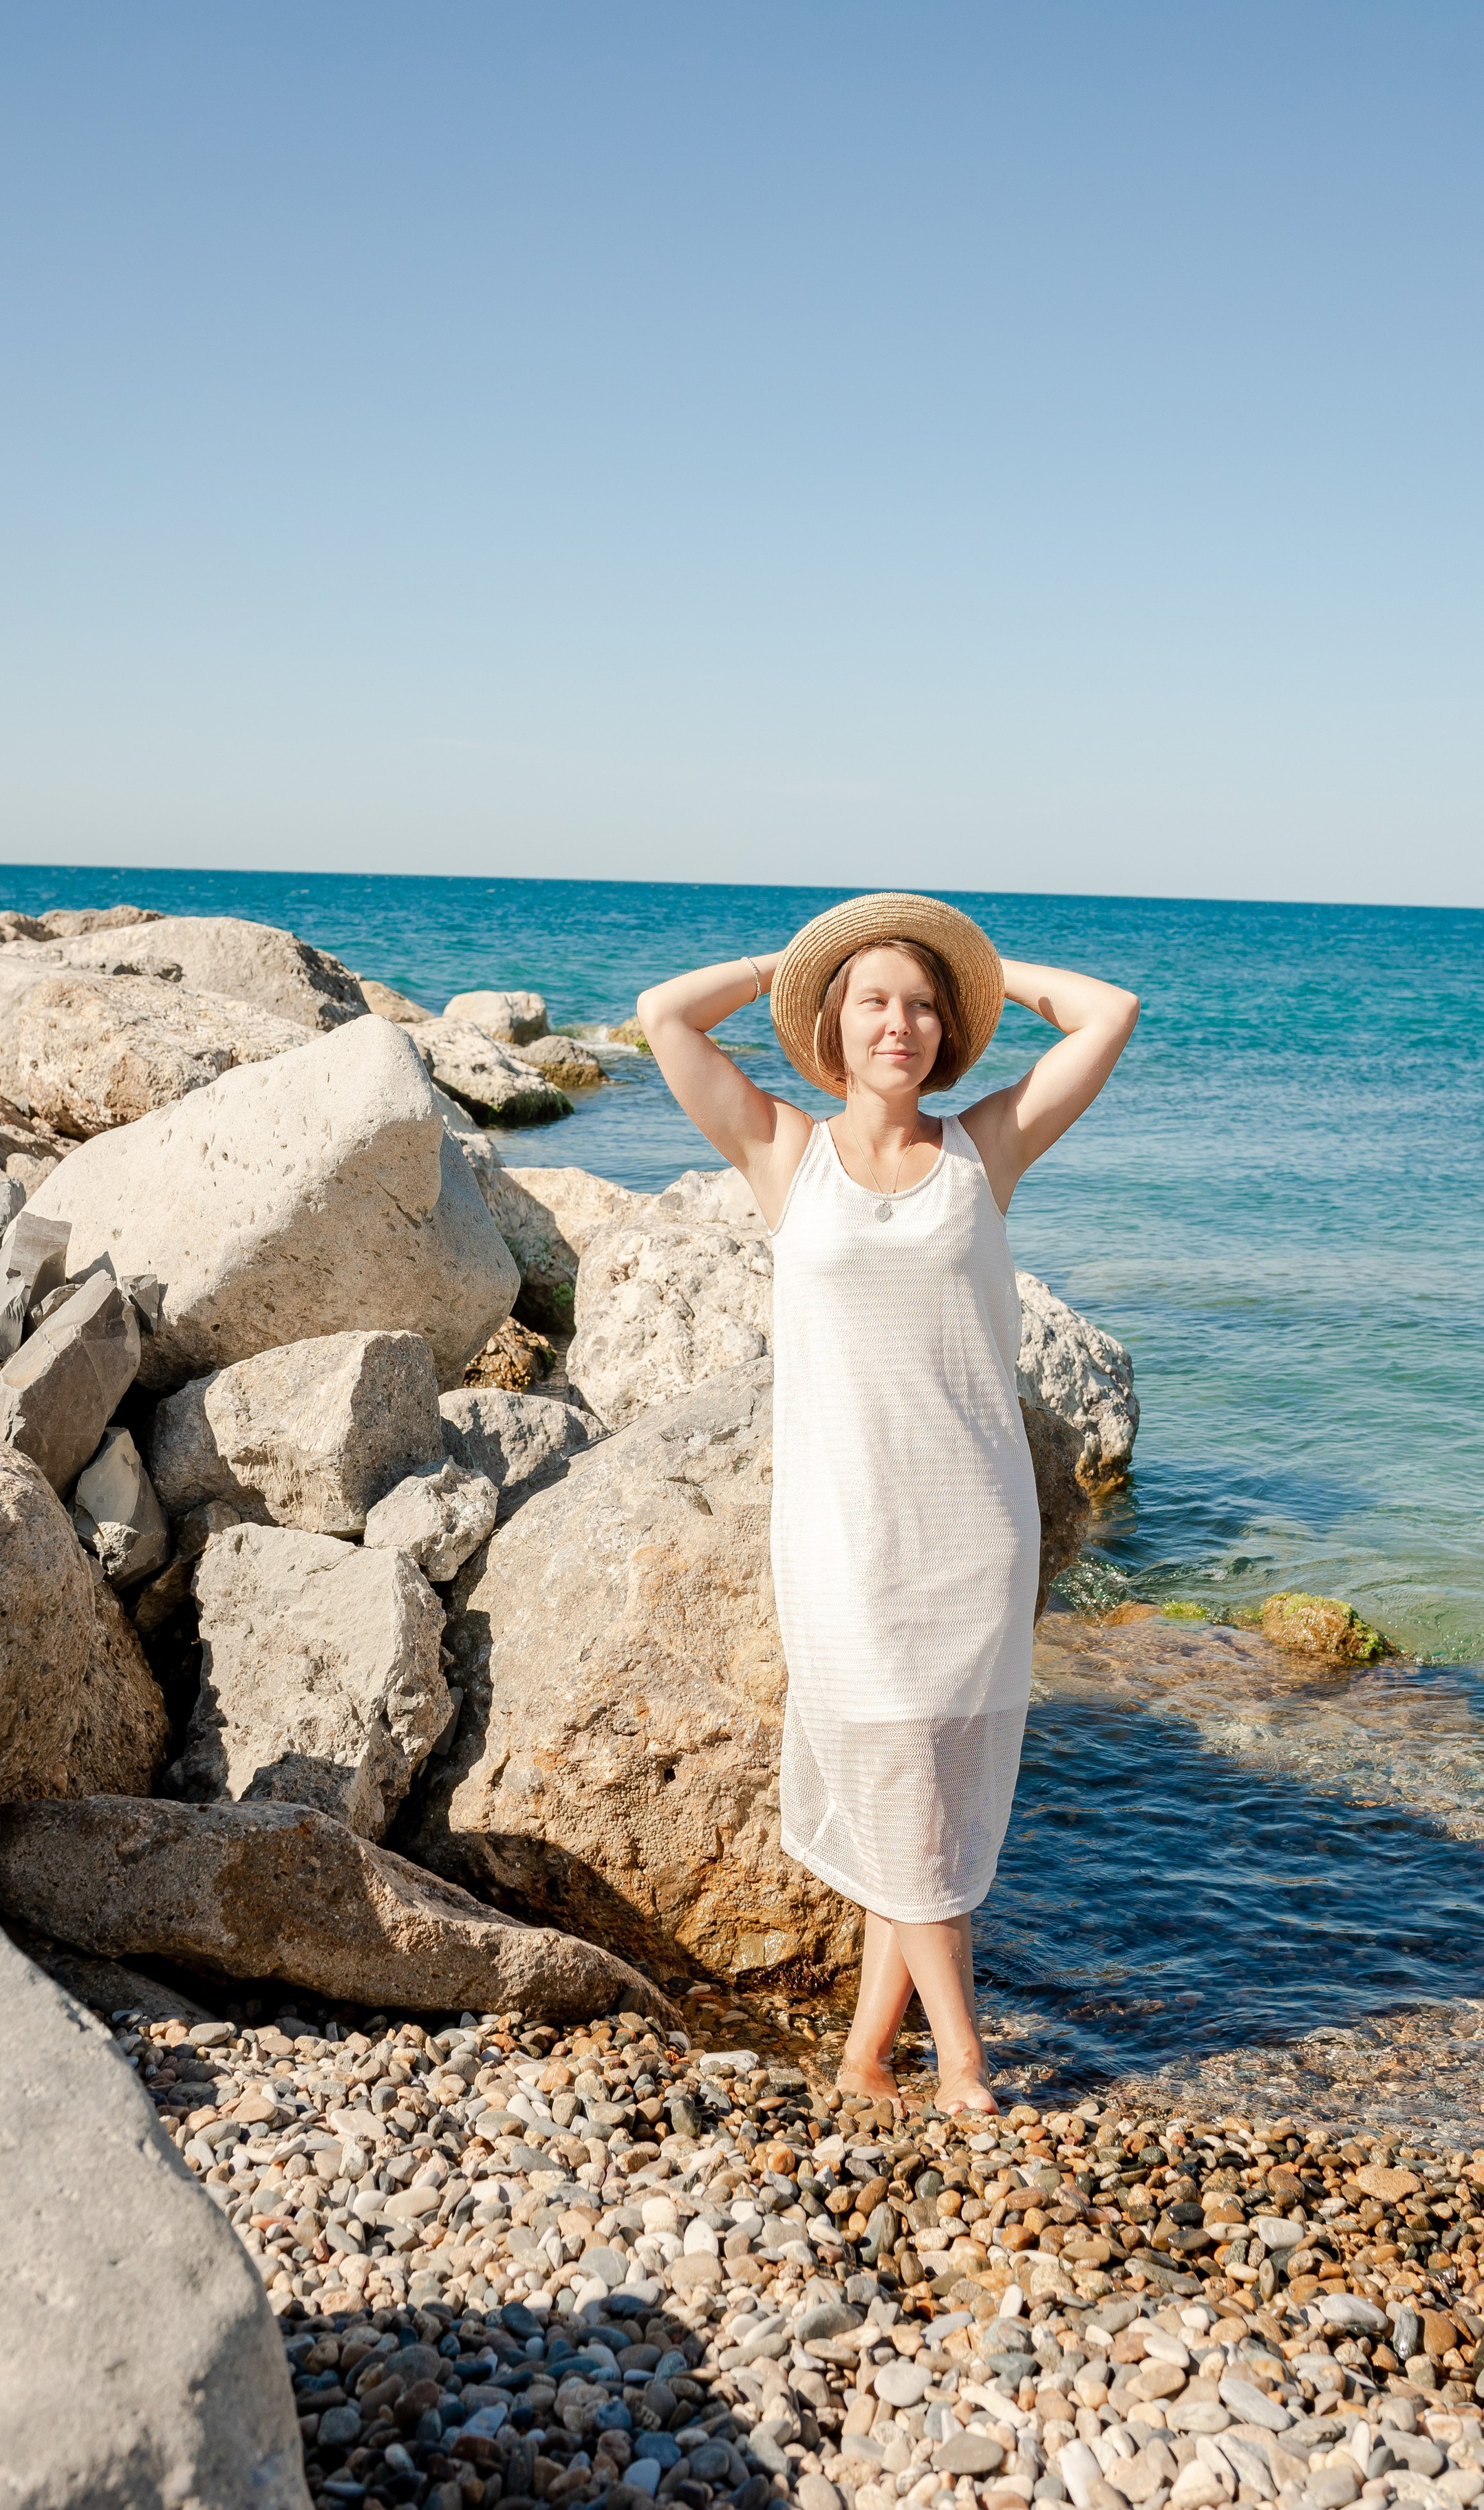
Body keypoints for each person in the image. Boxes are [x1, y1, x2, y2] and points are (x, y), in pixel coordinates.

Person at [638, 894, 1138, 2113]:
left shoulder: (986, 1149)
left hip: (973, 1526)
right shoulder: (781, 1152)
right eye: (874, 1001)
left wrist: (983, 973)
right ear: (832, 1024)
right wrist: (781, 962)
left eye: (922, 1007)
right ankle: (964, 2056)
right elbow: (663, 1016)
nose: (900, 1024)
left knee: (925, 1793)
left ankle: (868, 2061)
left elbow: (1107, 1012)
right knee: (903, 1787)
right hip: (843, 1534)